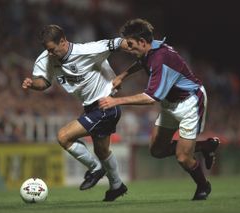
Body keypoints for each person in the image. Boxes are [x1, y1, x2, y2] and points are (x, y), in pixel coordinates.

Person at [99, 18, 220, 200]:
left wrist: (115, 101)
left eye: (130, 44)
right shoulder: (152, 48)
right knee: (157, 151)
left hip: (190, 103)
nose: (128, 48)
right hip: (170, 104)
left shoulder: (160, 59)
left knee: (183, 158)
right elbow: (143, 62)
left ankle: (204, 186)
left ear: (142, 42)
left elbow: (150, 99)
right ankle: (206, 146)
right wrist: (123, 75)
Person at [22, 25, 127, 201]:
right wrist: (33, 84)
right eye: (47, 50)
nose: (50, 54)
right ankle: (117, 186)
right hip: (91, 107)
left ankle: (95, 169)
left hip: (106, 104)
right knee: (102, 151)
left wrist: (143, 46)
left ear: (63, 41)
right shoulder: (46, 59)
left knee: (64, 136)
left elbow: (116, 43)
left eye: (52, 49)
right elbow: (45, 82)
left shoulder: (86, 51)